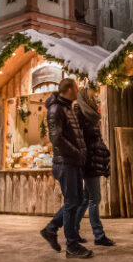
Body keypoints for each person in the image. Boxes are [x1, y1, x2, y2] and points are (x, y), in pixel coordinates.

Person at [43, 87, 115, 247]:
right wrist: (79, 153)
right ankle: (97, 235)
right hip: (84, 161)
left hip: (88, 159)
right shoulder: (77, 112)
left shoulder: (88, 114)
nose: (95, 99)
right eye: (93, 97)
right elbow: (65, 138)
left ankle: (70, 232)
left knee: (81, 200)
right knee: (90, 199)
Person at [40, 79, 92, 259]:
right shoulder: (56, 109)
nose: (78, 91)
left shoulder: (68, 107)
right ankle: (71, 246)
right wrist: (77, 152)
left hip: (73, 161)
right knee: (72, 202)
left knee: (76, 201)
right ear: (69, 89)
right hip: (65, 163)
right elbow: (56, 139)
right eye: (76, 88)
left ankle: (51, 229)